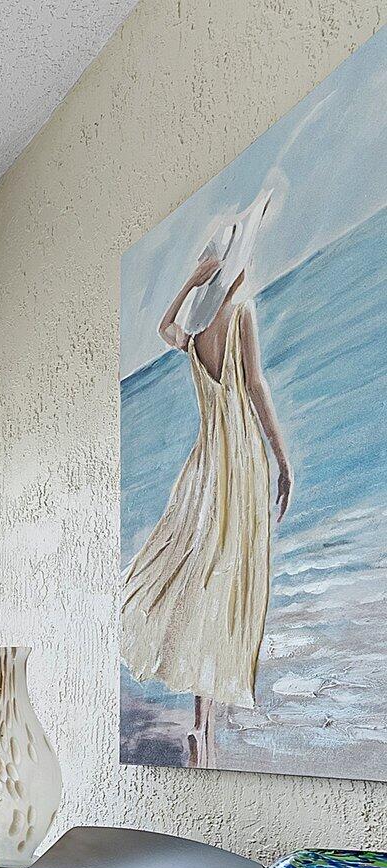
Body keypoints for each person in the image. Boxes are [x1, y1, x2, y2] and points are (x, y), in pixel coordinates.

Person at [118, 190, 295, 766]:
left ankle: (200, 720)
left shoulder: (194, 333)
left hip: (204, 465)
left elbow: (163, 327)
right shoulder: (240, 313)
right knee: (228, 580)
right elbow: (259, 390)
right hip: (238, 461)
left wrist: (190, 283)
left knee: (199, 572)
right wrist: (283, 461)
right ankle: (204, 720)